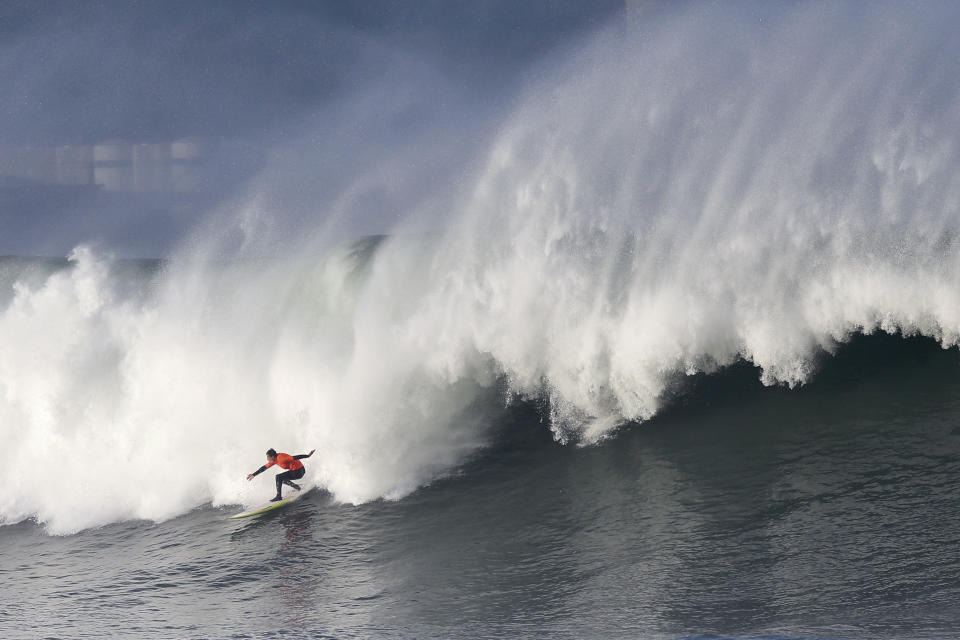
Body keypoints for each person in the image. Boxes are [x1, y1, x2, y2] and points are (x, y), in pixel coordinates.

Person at [247, 448, 316, 502]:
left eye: (268, 457)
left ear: (273, 456)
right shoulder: (274, 460)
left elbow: (295, 457)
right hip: (295, 471)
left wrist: (308, 455)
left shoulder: (281, 458)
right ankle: (297, 487)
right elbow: (264, 468)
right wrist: (253, 474)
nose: (267, 459)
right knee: (280, 480)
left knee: (278, 477)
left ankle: (278, 496)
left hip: (299, 471)